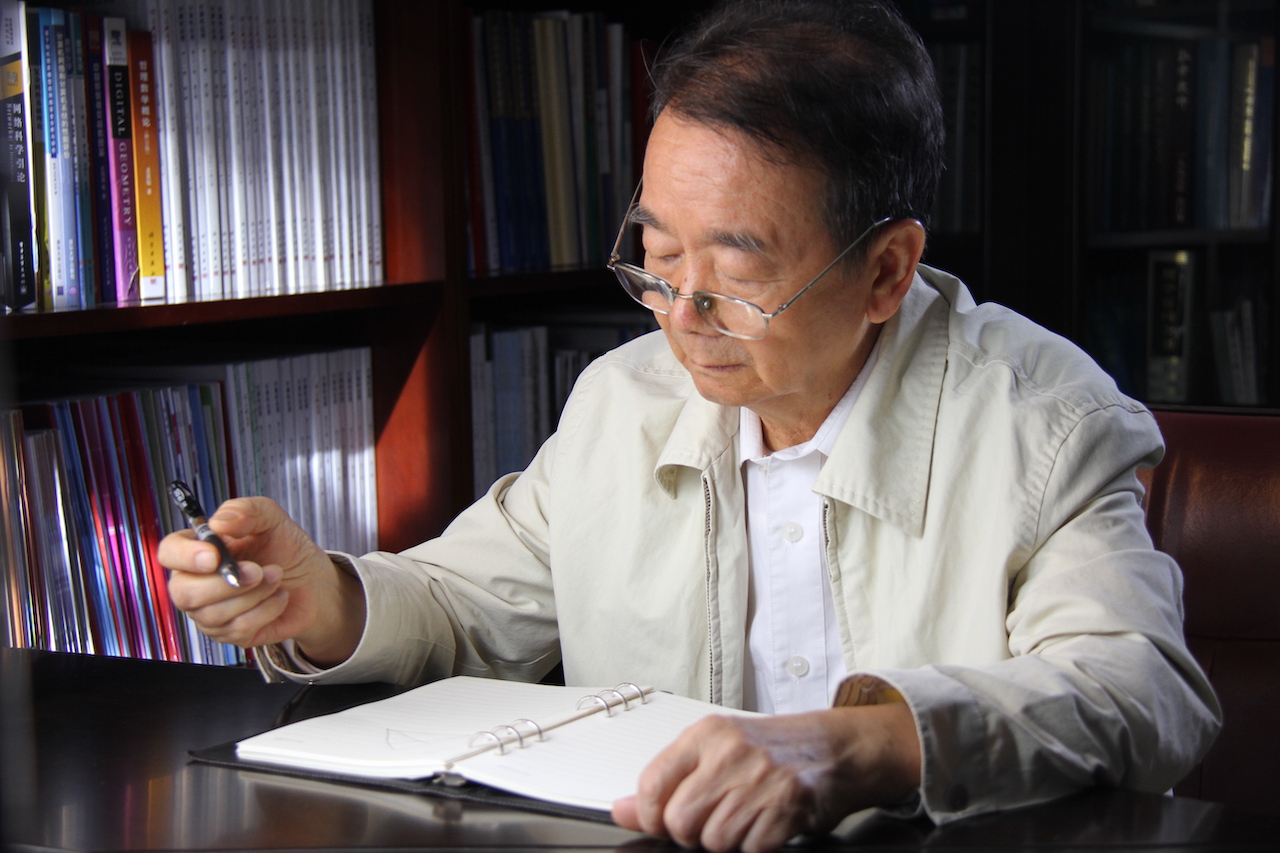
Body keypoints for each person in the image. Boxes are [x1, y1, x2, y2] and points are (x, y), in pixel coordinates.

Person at [158, 1, 1221, 851]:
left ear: (887, 270)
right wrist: (323, 599)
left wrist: (860, 745)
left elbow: (1138, 691)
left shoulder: (1045, 421)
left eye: (737, 274)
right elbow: (459, 602)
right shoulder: (623, 401)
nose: (680, 316)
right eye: (659, 258)